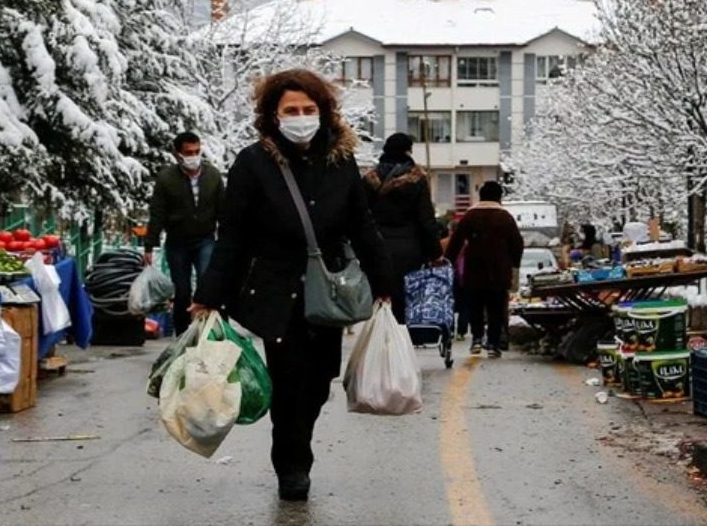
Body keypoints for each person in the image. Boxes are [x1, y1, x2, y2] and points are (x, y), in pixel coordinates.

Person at [190, 69, 392, 502]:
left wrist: (385, 284)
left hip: (327, 290)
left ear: (324, 112)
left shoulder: (341, 163)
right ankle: (293, 465)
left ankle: (299, 440)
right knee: (288, 380)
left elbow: (363, 226)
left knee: (319, 383)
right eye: (291, 110)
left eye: (308, 109)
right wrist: (209, 296)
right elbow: (233, 237)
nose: (300, 117)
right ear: (272, 116)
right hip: (276, 290)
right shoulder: (252, 163)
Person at [145, 131, 225, 335]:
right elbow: (158, 212)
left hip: (205, 238)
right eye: (188, 152)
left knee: (208, 284)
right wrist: (149, 244)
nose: (193, 156)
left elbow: (223, 210)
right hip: (177, 241)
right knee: (182, 290)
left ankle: (211, 332)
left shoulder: (213, 176)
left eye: (197, 151)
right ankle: (181, 333)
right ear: (178, 154)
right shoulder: (166, 179)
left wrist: (226, 240)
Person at [362, 132, 443, 325]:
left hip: (375, 247)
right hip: (409, 249)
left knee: (379, 298)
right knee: (403, 301)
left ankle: (379, 342)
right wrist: (435, 252)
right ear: (408, 151)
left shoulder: (368, 179)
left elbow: (360, 216)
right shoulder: (416, 179)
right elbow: (426, 219)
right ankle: (400, 341)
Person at [445, 181, 523, 358]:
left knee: (475, 306)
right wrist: (514, 262)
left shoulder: (470, 216)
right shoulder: (505, 217)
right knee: (496, 308)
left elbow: (456, 241)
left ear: (481, 195)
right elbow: (517, 243)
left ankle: (477, 339)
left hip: (474, 268)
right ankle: (493, 344)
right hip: (499, 271)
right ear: (499, 197)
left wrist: (448, 260)